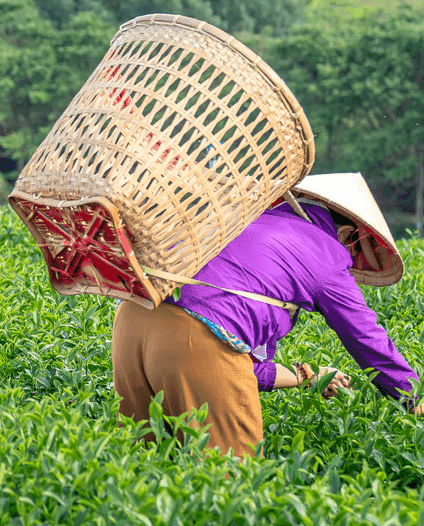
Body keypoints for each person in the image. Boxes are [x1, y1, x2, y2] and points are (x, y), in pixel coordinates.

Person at [112, 172, 420, 458]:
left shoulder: (253, 222)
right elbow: (367, 338)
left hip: (133, 319)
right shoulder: (328, 252)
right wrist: (414, 398)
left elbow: (241, 368)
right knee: (230, 478)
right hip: (195, 335)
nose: (349, 266)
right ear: (347, 233)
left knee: (146, 462)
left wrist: (308, 375)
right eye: (355, 253)